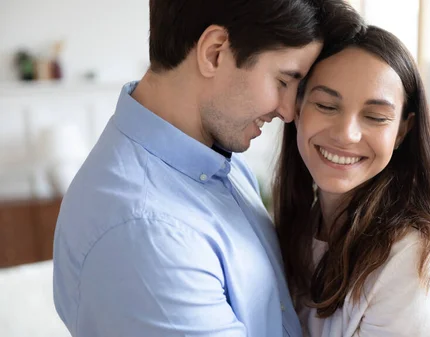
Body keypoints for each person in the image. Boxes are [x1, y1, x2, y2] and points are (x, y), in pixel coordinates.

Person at [52, 1, 363, 336]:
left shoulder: (218, 160)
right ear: (214, 52)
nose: (288, 112)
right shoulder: (146, 235)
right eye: (284, 80)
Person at [273, 25, 430, 336]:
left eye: (376, 117)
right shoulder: (301, 226)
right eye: (327, 106)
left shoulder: (415, 256)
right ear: (297, 109)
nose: (346, 134)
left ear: (402, 132)